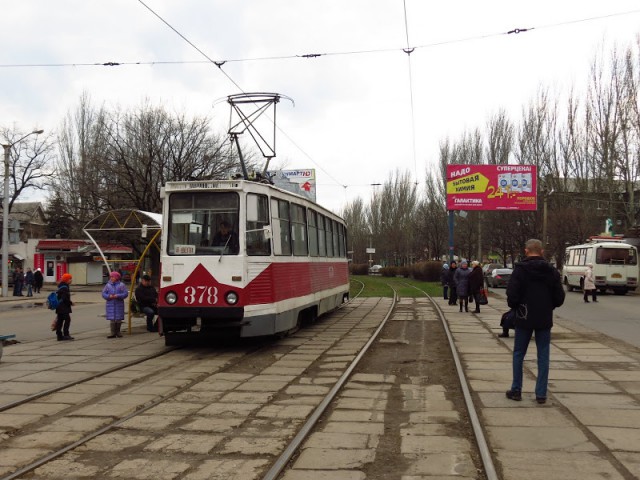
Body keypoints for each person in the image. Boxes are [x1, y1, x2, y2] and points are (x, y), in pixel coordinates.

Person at [505, 238, 565, 404]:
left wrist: (517, 306)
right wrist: (548, 306)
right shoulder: (551, 271)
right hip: (544, 318)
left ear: (526, 251)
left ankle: (516, 390)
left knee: (518, 353)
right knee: (543, 355)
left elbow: (512, 296)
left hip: (524, 317)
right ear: (542, 252)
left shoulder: (520, 270)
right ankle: (541, 394)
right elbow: (559, 297)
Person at [102, 271, 129, 338]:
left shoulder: (121, 285)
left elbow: (125, 294)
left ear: (117, 277)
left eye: (112, 277)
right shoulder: (108, 285)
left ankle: (118, 332)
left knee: (118, 318)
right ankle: (113, 333)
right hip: (110, 305)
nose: (111, 278)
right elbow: (103, 293)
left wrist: (118, 296)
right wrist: (108, 296)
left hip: (119, 305)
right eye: (110, 277)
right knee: (112, 319)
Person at [54, 273, 74, 341]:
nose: (71, 280)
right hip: (63, 307)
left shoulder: (61, 286)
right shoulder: (65, 287)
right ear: (67, 279)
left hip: (59, 307)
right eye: (70, 279)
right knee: (67, 320)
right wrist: (70, 303)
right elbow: (64, 298)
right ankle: (66, 334)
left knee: (60, 321)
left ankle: (59, 335)